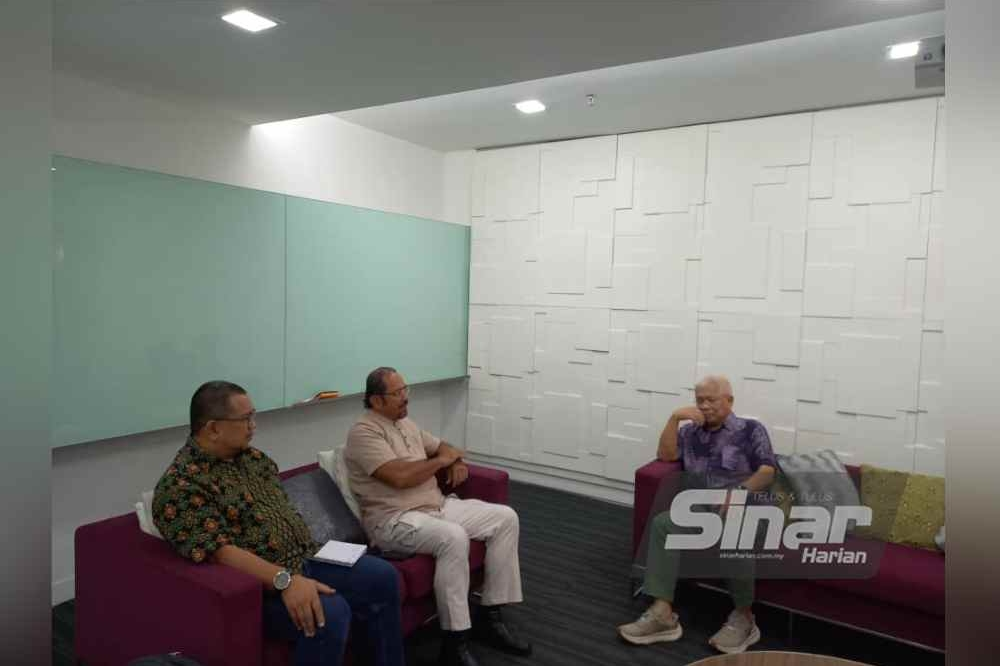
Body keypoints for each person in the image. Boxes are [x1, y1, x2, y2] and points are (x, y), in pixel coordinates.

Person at [152, 381, 405, 666]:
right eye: (245, 419)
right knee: (330, 613)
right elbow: (221, 552)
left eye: (253, 415)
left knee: (382, 577)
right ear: (213, 428)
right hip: (262, 586)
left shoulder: (255, 460)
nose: (253, 425)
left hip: (308, 555)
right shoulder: (182, 486)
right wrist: (284, 581)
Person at [344, 367, 531, 666]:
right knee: (454, 537)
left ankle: (490, 615)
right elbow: (400, 477)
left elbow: (443, 446)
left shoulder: (406, 424)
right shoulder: (363, 433)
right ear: (376, 401)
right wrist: (443, 460)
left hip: (436, 507)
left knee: (505, 518)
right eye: (398, 393)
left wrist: (452, 458)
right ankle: (454, 642)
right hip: (394, 520)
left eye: (406, 390)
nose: (406, 398)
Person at [617, 375, 777, 655]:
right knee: (663, 524)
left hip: (746, 508)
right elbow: (665, 456)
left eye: (711, 399)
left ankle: (745, 618)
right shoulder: (690, 432)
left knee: (735, 527)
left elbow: (767, 471)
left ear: (729, 400)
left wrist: (739, 491)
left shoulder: (751, 429)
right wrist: (674, 418)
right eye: (699, 400)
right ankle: (662, 613)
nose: (703, 406)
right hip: (702, 509)